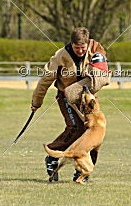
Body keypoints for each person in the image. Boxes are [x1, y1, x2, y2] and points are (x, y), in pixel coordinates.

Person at [31, 27, 109, 182]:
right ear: (71, 44)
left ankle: (83, 172)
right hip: (65, 97)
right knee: (76, 128)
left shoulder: (95, 50)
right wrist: (36, 102)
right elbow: (45, 80)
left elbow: (102, 71)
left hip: (88, 99)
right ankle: (52, 155)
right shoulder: (60, 56)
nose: (80, 51)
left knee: (95, 136)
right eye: (76, 48)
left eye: (83, 48)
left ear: (87, 43)